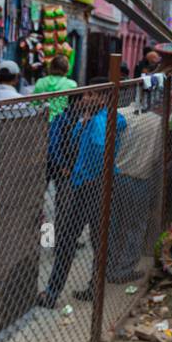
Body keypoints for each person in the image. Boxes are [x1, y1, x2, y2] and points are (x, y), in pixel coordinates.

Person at [38, 106, 127, 308]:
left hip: (87, 184)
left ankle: (52, 293)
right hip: (101, 183)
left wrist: (90, 176)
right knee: (99, 239)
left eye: (91, 95)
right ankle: (95, 287)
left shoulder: (97, 121)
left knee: (68, 239)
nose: (86, 98)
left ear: (103, 98)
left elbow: (97, 147)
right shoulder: (110, 118)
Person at [33, 56, 78, 121]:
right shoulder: (72, 85)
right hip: (63, 121)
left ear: (51, 67)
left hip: (42, 120)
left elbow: (34, 103)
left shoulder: (41, 82)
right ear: (67, 68)